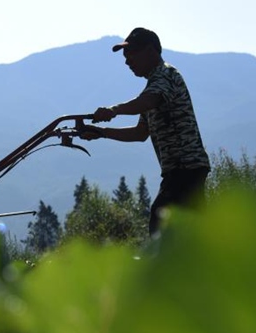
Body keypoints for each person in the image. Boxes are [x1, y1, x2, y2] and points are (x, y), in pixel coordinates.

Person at [80, 27, 210, 236]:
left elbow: (148, 101)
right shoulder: (152, 86)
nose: (127, 61)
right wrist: (101, 132)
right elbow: (140, 133)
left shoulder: (166, 75)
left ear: (150, 51)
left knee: (161, 222)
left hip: (185, 167)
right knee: (191, 232)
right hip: (179, 170)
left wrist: (114, 110)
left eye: (131, 54)